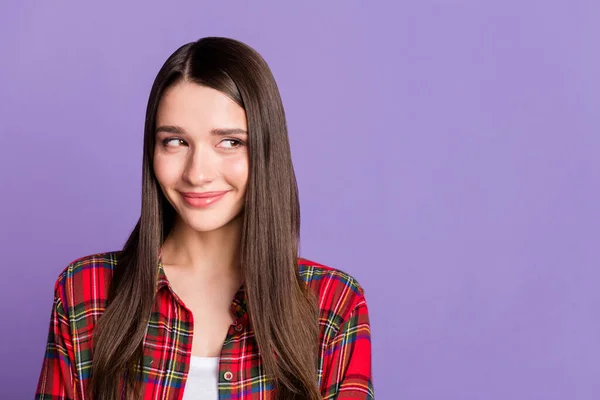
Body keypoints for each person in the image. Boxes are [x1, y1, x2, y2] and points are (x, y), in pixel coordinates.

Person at [35, 36, 373, 400]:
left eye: (229, 142)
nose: (197, 173)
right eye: (175, 141)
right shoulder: (86, 292)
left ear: (266, 149)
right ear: (153, 150)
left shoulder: (333, 305)